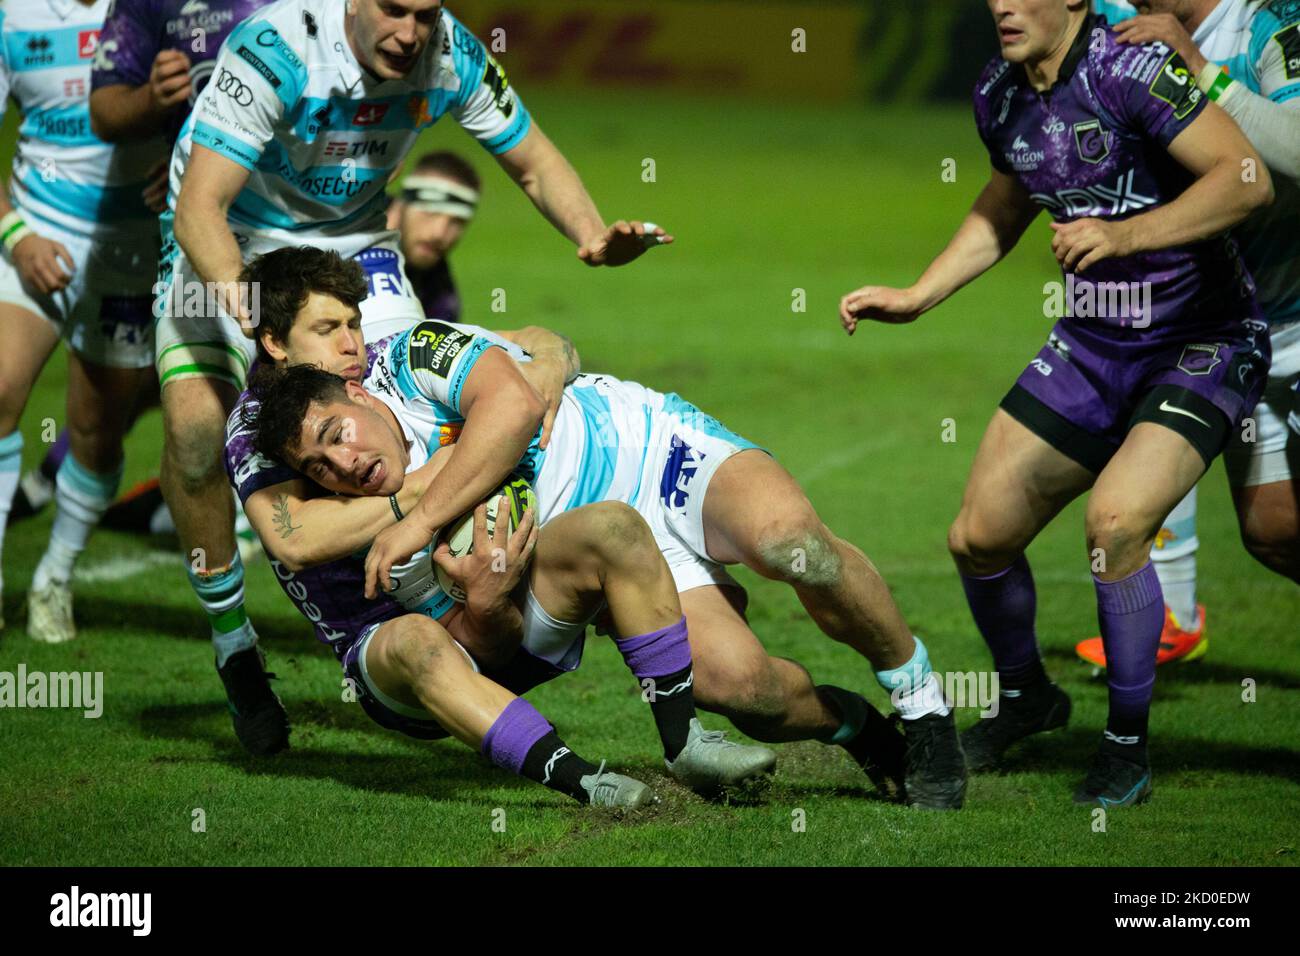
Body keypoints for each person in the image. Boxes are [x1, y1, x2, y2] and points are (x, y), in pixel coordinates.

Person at [239, 246, 961, 809]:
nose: (352, 343)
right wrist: (472, 586)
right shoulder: (273, 442)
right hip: (595, 538)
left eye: (353, 326)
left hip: (644, 448)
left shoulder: (400, 353)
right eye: (329, 330)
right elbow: (292, 537)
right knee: (748, 692)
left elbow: (526, 374)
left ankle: (924, 705)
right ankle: (862, 730)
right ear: (275, 345)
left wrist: (547, 358)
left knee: (793, 547)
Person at [153, 0, 671, 754]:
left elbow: (529, 155)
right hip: (224, 244)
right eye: (393, 10)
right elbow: (199, 204)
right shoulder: (276, 49)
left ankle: (440, 611)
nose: (410, 31)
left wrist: (591, 234)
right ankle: (235, 645)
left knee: (405, 393)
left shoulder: (450, 50)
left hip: (351, 243)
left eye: (424, 12)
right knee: (199, 436)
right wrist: (253, 317)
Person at [838, 0, 1273, 805]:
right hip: (1094, 342)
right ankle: (1027, 696)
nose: (1002, 5)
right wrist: (919, 294)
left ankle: (1124, 749)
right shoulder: (999, 94)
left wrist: (1128, 235)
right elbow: (1006, 203)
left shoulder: (1130, 68)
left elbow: (1247, 181)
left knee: (1116, 526)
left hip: (1201, 341)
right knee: (978, 537)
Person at [1075, 0, 1300, 670]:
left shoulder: (1272, 22)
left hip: (1298, 311)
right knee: (1274, 531)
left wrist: (1201, 69)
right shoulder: (1119, 15)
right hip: (1227, 324)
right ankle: (1172, 615)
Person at [0, 0, 164, 641]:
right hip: (38, 229)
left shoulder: (162, 9)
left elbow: (221, 98)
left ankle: (55, 577)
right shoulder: (13, 15)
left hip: (133, 248)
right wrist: (16, 235)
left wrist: (186, 164)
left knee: (96, 432)